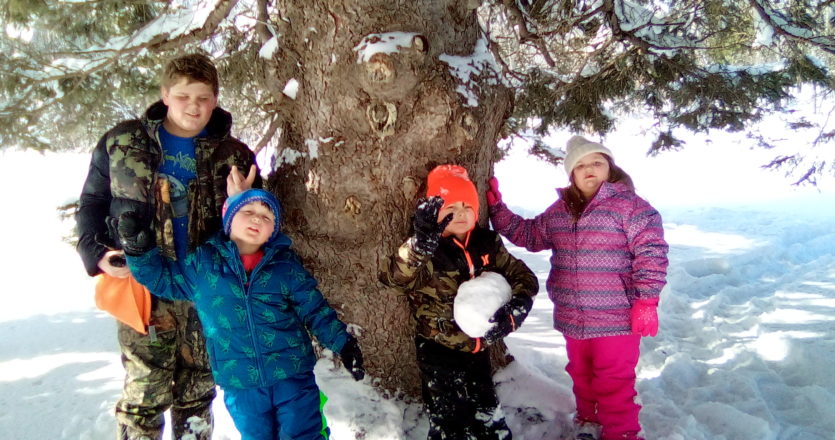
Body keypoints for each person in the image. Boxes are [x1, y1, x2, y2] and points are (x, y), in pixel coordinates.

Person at [75, 53, 260, 439]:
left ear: (216, 99)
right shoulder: (123, 142)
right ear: (165, 95)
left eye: (204, 97)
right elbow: (92, 203)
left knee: (198, 389)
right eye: (183, 96)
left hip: (204, 287)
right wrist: (96, 255)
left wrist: (244, 203)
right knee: (145, 391)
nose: (194, 106)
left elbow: (257, 226)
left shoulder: (234, 155)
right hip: (141, 282)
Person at [118, 188, 366, 440]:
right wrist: (138, 251)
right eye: (248, 211)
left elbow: (314, 309)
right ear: (228, 220)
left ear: (273, 231)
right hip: (239, 381)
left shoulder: (285, 265)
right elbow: (162, 279)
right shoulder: (204, 264)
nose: (257, 219)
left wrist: (343, 344)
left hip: (291, 375)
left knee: (304, 433)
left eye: (267, 217)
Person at [485, 136, 668, 440]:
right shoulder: (560, 211)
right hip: (573, 317)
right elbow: (530, 234)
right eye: (580, 165)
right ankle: (587, 421)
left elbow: (652, 253)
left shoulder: (631, 207)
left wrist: (647, 301)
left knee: (614, 382)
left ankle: (621, 433)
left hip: (616, 318)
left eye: (597, 162)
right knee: (581, 376)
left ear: (610, 168)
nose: (589, 169)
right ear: (571, 175)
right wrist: (498, 211)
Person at [379, 165, 539, 440]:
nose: (461, 213)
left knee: (487, 411)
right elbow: (395, 279)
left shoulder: (487, 244)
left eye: (467, 205)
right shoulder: (427, 250)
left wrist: (517, 308)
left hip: (478, 347)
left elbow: (523, 275)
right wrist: (417, 247)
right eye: (451, 207)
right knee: (449, 418)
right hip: (438, 348)